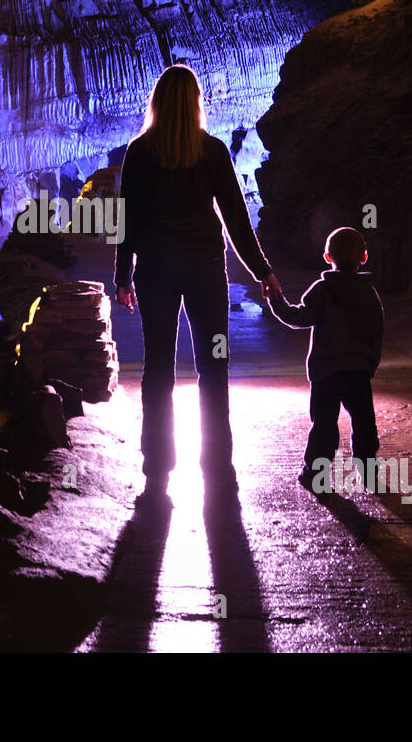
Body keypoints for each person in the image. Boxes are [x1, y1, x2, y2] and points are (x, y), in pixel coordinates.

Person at [113, 64, 282, 498]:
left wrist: (123, 276)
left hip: (156, 271)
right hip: (206, 269)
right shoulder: (212, 151)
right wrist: (262, 271)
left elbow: (126, 222)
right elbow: (236, 222)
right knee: (213, 366)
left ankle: (157, 462)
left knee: (158, 368)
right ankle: (217, 462)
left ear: (157, 103)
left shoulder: (139, 153)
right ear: (195, 104)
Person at [262, 227, 384, 491]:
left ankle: (315, 476)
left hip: (325, 373)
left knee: (324, 425)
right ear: (364, 257)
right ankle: (369, 473)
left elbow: (298, 318)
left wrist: (276, 300)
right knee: (364, 423)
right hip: (357, 373)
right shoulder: (369, 294)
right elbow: (377, 332)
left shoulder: (322, 290)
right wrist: (369, 365)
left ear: (327, 257)